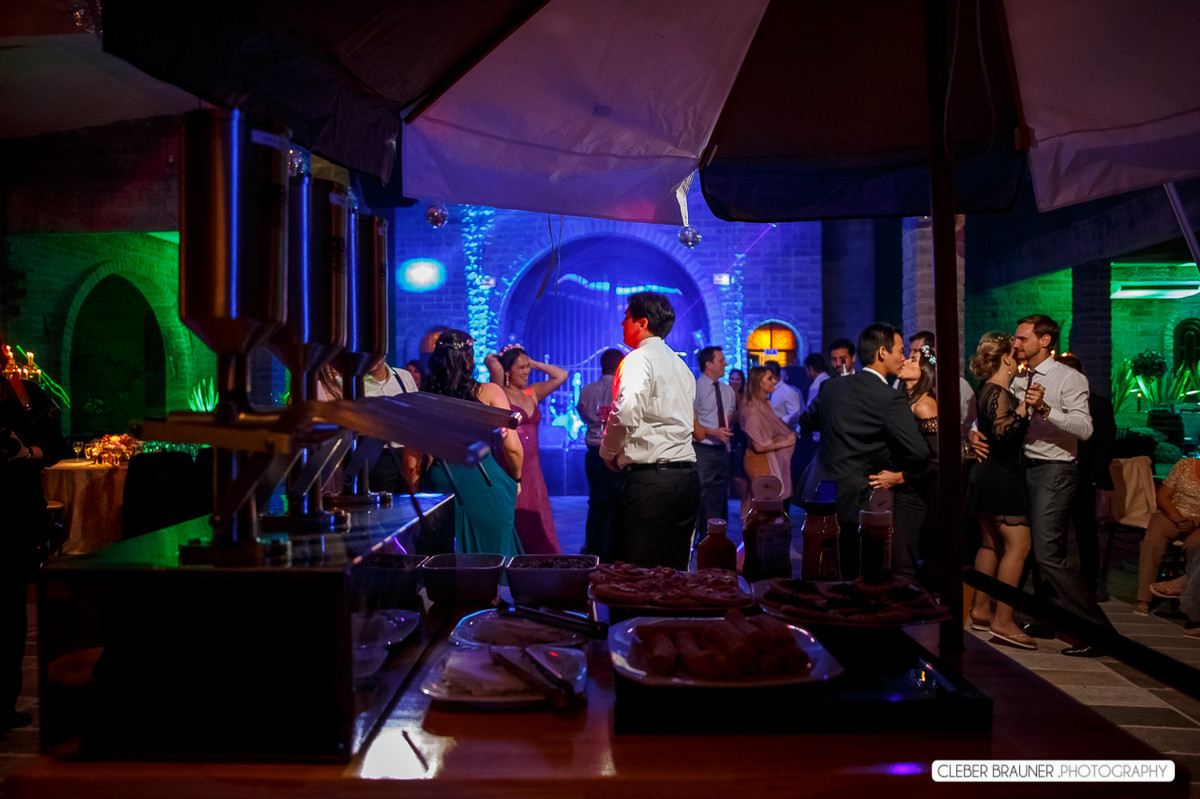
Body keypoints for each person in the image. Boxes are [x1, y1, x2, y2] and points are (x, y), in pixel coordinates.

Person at [972, 314, 1109, 656]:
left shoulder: (1069, 378)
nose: (1015, 344)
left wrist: (1045, 408)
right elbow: (994, 410)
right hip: (1021, 469)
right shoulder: (1019, 378)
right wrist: (974, 431)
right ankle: (1040, 616)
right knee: (1029, 550)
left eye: (1022, 339)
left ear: (1044, 341)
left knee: (1048, 553)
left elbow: (1085, 428)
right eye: (1015, 340)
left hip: (1055, 469)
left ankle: (1098, 632)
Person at [798, 323, 929, 579]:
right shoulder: (889, 398)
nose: (903, 358)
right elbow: (919, 453)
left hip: (821, 492)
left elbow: (806, 421)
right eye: (900, 351)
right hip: (856, 498)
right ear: (882, 352)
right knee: (853, 573)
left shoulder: (833, 387)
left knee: (818, 569)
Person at [599, 292, 699, 569]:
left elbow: (627, 413)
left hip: (651, 481)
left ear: (641, 323)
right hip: (686, 479)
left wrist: (607, 451)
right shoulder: (681, 366)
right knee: (674, 571)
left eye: (626, 317)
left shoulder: (637, 360)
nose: (622, 323)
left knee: (635, 573)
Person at [1, 333, 68, 730]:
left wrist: (26, 453)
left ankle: (4, 706)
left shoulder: (22, 392)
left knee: (10, 613)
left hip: (16, 517)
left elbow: (58, 446)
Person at [963, 332, 1037, 649]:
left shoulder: (989, 389)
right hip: (1000, 474)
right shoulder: (998, 390)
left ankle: (981, 610)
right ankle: (1003, 620)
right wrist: (1026, 407)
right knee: (1019, 545)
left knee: (991, 543)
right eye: (1014, 351)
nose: (1019, 354)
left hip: (988, 473)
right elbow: (1002, 434)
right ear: (1006, 358)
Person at [422, 329, 524, 558]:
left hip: (441, 481)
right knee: (492, 563)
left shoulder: (425, 395)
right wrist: (516, 478)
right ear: (469, 360)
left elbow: (418, 455)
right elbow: (513, 447)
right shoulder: (490, 392)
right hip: (483, 480)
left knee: (445, 561)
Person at [485, 344, 568, 554]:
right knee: (515, 516)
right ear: (506, 371)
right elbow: (489, 359)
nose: (526, 371)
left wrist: (532, 361)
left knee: (537, 515)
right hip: (510, 463)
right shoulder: (499, 393)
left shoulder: (532, 393)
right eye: (520, 367)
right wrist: (500, 358)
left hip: (534, 468)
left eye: (527, 367)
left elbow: (561, 375)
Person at [867, 344, 938, 587]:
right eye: (907, 356)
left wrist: (900, 477)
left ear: (926, 371)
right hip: (896, 490)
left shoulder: (925, 405)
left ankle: (915, 615)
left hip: (912, 492)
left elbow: (937, 461)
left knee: (902, 563)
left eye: (914, 360)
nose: (906, 361)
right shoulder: (901, 400)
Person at [1057, 353, 1116, 601]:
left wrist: (1093, 478)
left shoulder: (1099, 405)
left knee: (1086, 531)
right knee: (1056, 530)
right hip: (1058, 473)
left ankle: (1089, 582)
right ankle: (1059, 580)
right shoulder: (1056, 405)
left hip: (1084, 476)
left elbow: (1106, 445)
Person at [1132, 456, 1200, 615]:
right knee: (1153, 540)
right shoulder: (1185, 464)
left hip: (1198, 523)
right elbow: (1162, 496)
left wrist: (1195, 521)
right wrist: (1177, 517)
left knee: (1195, 545)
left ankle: (1189, 601)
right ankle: (1143, 598)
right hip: (1172, 514)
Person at [577, 348, 624, 561]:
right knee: (616, 500)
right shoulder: (623, 389)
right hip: (616, 451)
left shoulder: (587, 390)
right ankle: (612, 549)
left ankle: (593, 547)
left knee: (596, 500)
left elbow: (583, 412)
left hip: (594, 450)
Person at [692, 346, 736, 533]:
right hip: (703, 449)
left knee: (718, 497)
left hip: (722, 450)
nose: (725, 363)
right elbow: (689, 420)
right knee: (698, 495)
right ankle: (694, 540)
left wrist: (725, 432)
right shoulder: (695, 388)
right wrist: (713, 432)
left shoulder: (728, 391)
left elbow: (730, 414)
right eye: (721, 360)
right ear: (708, 364)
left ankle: (713, 539)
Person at [362, 359, 418, 494]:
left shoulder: (403, 376)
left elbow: (416, 416)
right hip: (378, 457)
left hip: (408, 454)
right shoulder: (356, 382)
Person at [741, 365, 796, 500]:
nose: (775, 381)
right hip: (760, 464)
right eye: (769, 378)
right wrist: (785, 443)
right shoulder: (753, 411)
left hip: (767, 461)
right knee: (764, 510)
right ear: (759, 382)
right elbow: (759, 446)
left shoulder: (765, 404)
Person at [727, 368, 750, 512]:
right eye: (732, 378)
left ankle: (745, 507)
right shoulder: (725, 394)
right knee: (732, 476)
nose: (734, 382)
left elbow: (742, 417)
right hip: (728, 437)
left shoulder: (745, 397)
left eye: (738, 379)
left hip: (741, 437)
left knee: (740, 475)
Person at [765, 361, 801, 430]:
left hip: (783, 433)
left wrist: (781, 420)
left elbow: (795, 414)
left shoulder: (788, 392)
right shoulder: (767, 390)